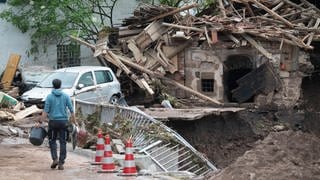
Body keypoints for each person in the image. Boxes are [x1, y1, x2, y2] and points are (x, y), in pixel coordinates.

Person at [39, 79, 77, 170]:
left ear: (53, 85)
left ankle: (55, 159)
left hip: (53, 122)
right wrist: (75, 122)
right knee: (63, 142)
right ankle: (61, 163)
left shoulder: (49, 97)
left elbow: (45, 111)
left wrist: (40, 122)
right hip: (63, 122)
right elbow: (71, 110)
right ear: (60, 85)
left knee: (52, 141)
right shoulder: (66, 96)